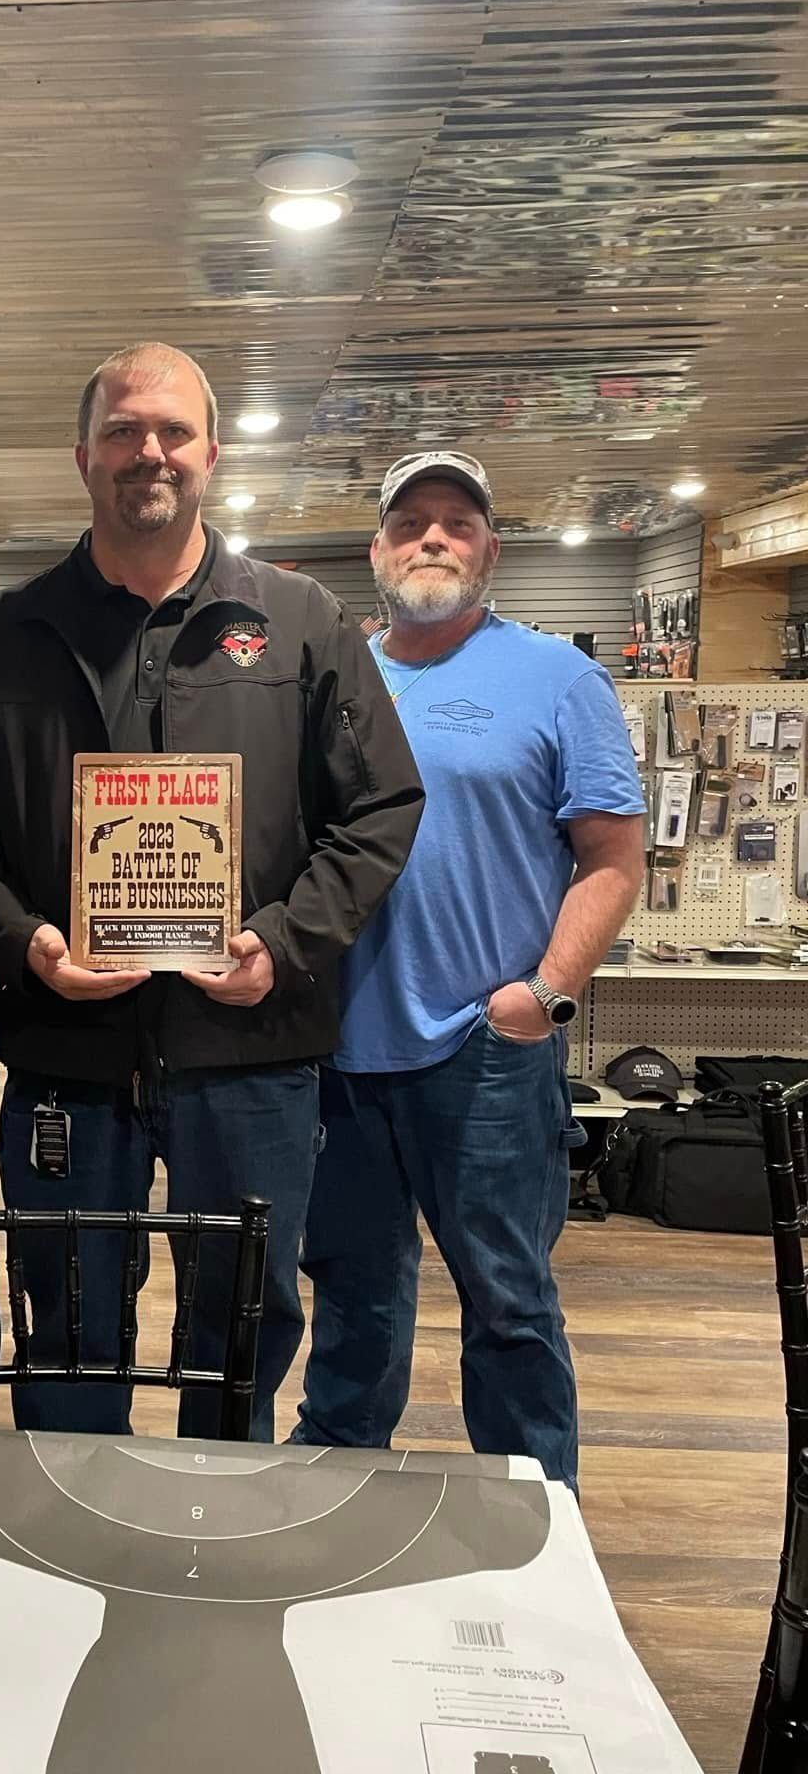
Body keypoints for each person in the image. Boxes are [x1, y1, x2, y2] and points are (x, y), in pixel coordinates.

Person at [0, 342, 424, 1438]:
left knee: (243, 1326)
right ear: (83, 454)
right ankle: (71, 1512)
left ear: (212, 454)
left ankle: (215, 1516)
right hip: (65, 1052)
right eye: (126, 430)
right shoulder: (5, 637)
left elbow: (381, 806)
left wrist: (283, 941)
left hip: (252, 1052)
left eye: (174, 431)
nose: (151, 451)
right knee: (65, 1318)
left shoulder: (301, 622)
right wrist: (26, 943)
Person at [292, 449, 646, 1489]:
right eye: (411, 523)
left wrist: (543, 995)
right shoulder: (334, 677)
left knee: (508, 1300)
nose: (433, 539)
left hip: (485, 1051)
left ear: (491, 550)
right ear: (378, 550)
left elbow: (614, 858)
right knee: (352, 1293)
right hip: (340, 1051)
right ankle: (338, 1494)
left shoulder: (558, 679)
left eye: (456, 522)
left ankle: (538, 1517)